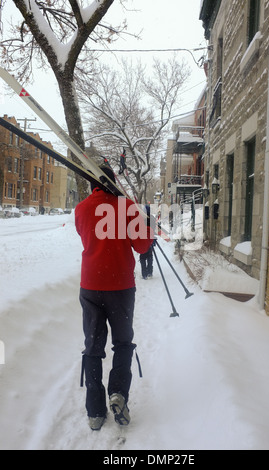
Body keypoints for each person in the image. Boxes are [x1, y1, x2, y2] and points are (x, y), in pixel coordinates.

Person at [75, 165, 154, 431]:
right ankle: (118, 393)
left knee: (93, 346)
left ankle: (95, 412)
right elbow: (143, 246)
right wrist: (145, 225)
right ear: (114, 180)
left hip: (90, 285)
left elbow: (85, 236)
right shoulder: (128, 207)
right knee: (122, 343)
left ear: (92, 184)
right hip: (120, 287)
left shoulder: (82, 208)